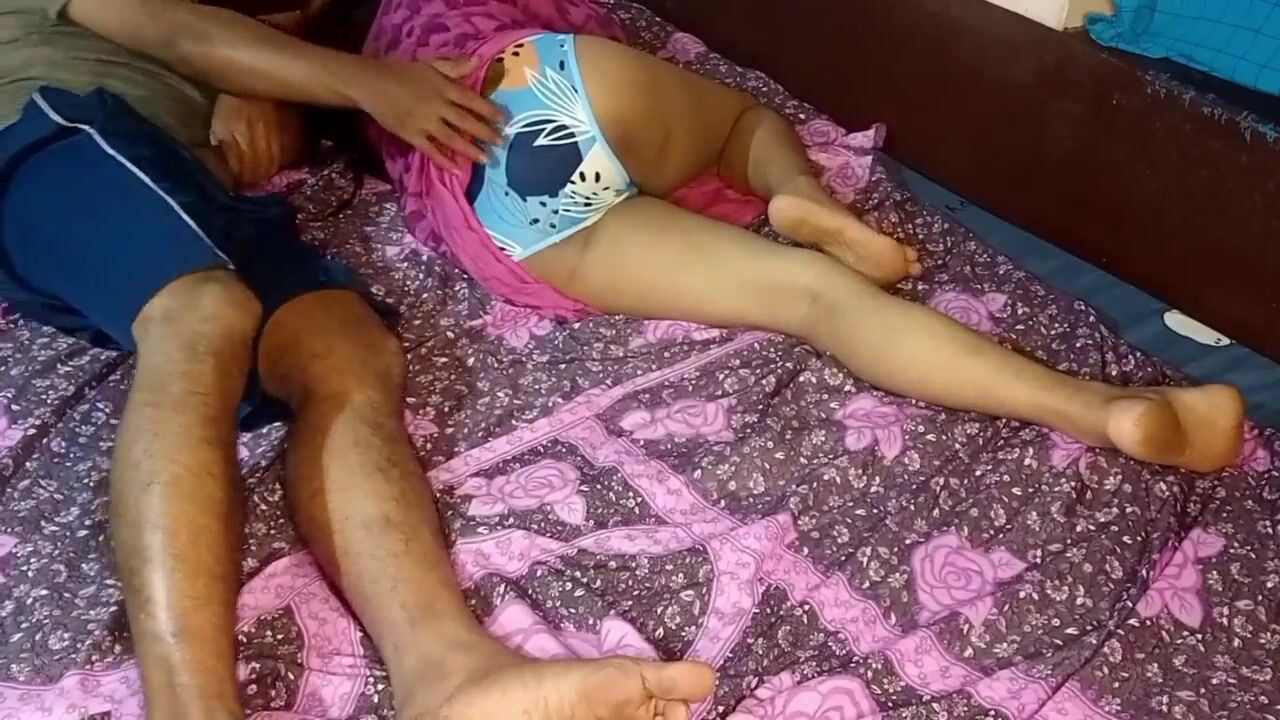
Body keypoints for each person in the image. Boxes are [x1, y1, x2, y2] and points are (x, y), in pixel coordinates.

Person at [0, 1, 716, 719]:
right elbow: (175, 31)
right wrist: (366, 82)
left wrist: (262, 87)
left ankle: (449, 675)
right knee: (200, 314)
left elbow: (254, 87)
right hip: (52, 135)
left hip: (178, 183)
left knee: (345, 350)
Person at [355, 0, 1246, 475]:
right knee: (744, 127)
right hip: (533, 73)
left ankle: (1108, 415)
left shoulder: (360, 68)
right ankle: (792, 193)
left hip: (486, 190)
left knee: (811, 303)